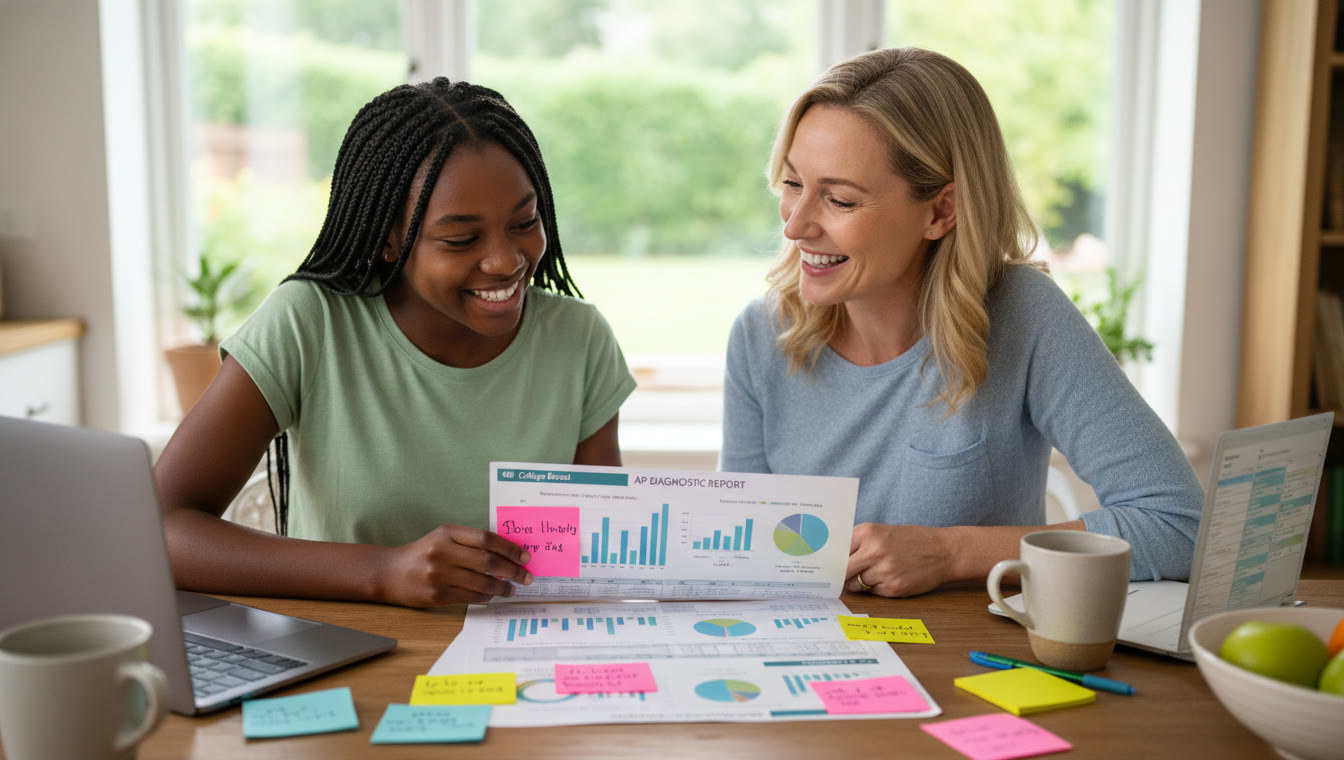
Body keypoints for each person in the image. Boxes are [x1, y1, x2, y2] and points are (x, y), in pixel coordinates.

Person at [720, 47, 1203, 598]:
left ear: (941, 211)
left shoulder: (1023, 315)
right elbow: (738, 556)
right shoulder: (761, 337)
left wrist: (951, 553)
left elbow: (1180, 525)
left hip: (976, 662)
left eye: (839, 200)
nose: (796, 225)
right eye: (792, 184)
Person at [155, 78, 636, 608]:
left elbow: (596, 556)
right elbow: (160, 529)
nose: (507, 260)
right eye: (461, 239)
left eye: (524, 221)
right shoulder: (309, 324)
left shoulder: (579, 339)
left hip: (524, 657)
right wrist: (383, 572)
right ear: (388, 239)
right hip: (347, 654)